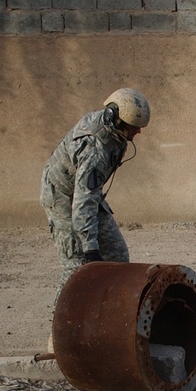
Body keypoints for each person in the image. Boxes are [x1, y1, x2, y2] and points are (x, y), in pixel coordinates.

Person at [40, 87, 150, 305]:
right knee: (76, 266)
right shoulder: (95, 150)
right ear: (115, 120)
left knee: (117, 256)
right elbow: (83, 201)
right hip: (62, 196)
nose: (138, 133)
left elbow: (89, 193)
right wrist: (90, 247)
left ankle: (111, 318)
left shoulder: (113, 131)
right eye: (133, 127)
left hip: (87, 192)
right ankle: (60, 331)